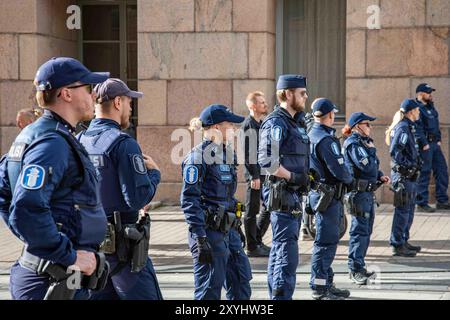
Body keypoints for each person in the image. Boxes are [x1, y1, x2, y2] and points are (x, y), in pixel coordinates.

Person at [0, 57, 110, 300]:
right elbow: (26, 208)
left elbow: (5, 196)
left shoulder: (35, 135)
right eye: (88, 88)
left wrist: (39, 241)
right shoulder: (52, 143)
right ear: (66, 94)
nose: (93, 96)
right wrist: (66, 254)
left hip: (54, 274)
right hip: (54, 279)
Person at [78, 78, 163, 300]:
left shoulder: (78, 140)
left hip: (91, 249)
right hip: (124, 252)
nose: (131, 107)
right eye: (128, 101)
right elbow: (137, 198)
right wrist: (154, 174)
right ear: (117, 102)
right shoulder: (123, 143)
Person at [181, 104, 252, 300]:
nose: (235, 129)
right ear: (217, 127)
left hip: (229, 231)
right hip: (209, 234)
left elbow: (227, 197)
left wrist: (237, 228)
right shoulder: (196, 158)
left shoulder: (227, 154)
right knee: (209, 291)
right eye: (231, 125)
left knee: (241, 281)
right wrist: (200, 238)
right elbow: (189, 200)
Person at [258, 74, 311, 300]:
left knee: (284, 251)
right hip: (283, 195)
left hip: (293, 196)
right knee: (286, 255)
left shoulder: (295, 122)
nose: (306, 97)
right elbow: (267, 161)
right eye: (302, 93)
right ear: (288, 94)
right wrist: (292, 177)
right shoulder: (276, 122)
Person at [308, 98, 353, 300]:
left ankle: (327, 282)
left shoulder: (312, 134)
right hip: (327, 196)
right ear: (331, 115)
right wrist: (350, 179)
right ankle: (319, 287)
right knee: (326, 243)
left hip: (321, 194)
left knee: (327, 242)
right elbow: (339, 170)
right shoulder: (326, 139)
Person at [342, 112, 390, 285]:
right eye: (367, 124)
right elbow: (367, 166)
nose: (370, 127)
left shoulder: (364, 143)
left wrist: (380, 176)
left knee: (366, 232)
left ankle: (359, 266)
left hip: (367, 194)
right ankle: (354, 269)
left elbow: (374, 167)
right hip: (358, 195)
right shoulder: (354, 144)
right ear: (357, 126)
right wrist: (371, 151)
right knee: (359, 232)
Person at [386, 99, 423, 257]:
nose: (419, 112)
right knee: (403, 211)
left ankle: (403, 240)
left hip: (409, 176)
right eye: (417, 110)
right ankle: (397, 244)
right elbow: (396, 152)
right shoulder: (403, 128)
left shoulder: (408, 127)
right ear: (410, 111)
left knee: (408, 210)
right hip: (403, 177)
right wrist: (408, 166)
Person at [240, 91, 271, 257]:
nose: (265, 105)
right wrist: (254, 176)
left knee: (269, 206)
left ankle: (256, 240)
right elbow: (247, 153)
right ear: (252, 106)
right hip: (255, 175)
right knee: (251, 210)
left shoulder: (262, 124)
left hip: (265, 173)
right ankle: (251, 247)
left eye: (264, 102)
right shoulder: (248, 125)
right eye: (261, 102)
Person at [414, 83, 450, 212]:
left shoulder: (431, 107)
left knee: (442, 171)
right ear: (420, 94)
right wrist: (424, 143)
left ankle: (442, 200)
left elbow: (436, 125)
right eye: (428, 92)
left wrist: (439, 139)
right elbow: (417, 128)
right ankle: (421, 202)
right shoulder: (417, 108)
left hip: (435, 144)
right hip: (426, 146)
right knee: (424, 172)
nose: (430, 94)